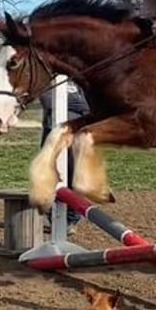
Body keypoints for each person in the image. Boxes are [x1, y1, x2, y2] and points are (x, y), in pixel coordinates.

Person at [39, 81, 91, 232]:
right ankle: (52, 216)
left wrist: (71, 103)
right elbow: (48, 102)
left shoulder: (78, 80)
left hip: (76, 134)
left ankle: (71, 219)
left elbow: (88, 106)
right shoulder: (49, 80)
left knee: (73, 174)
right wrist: (77, 103)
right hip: (52, 133)